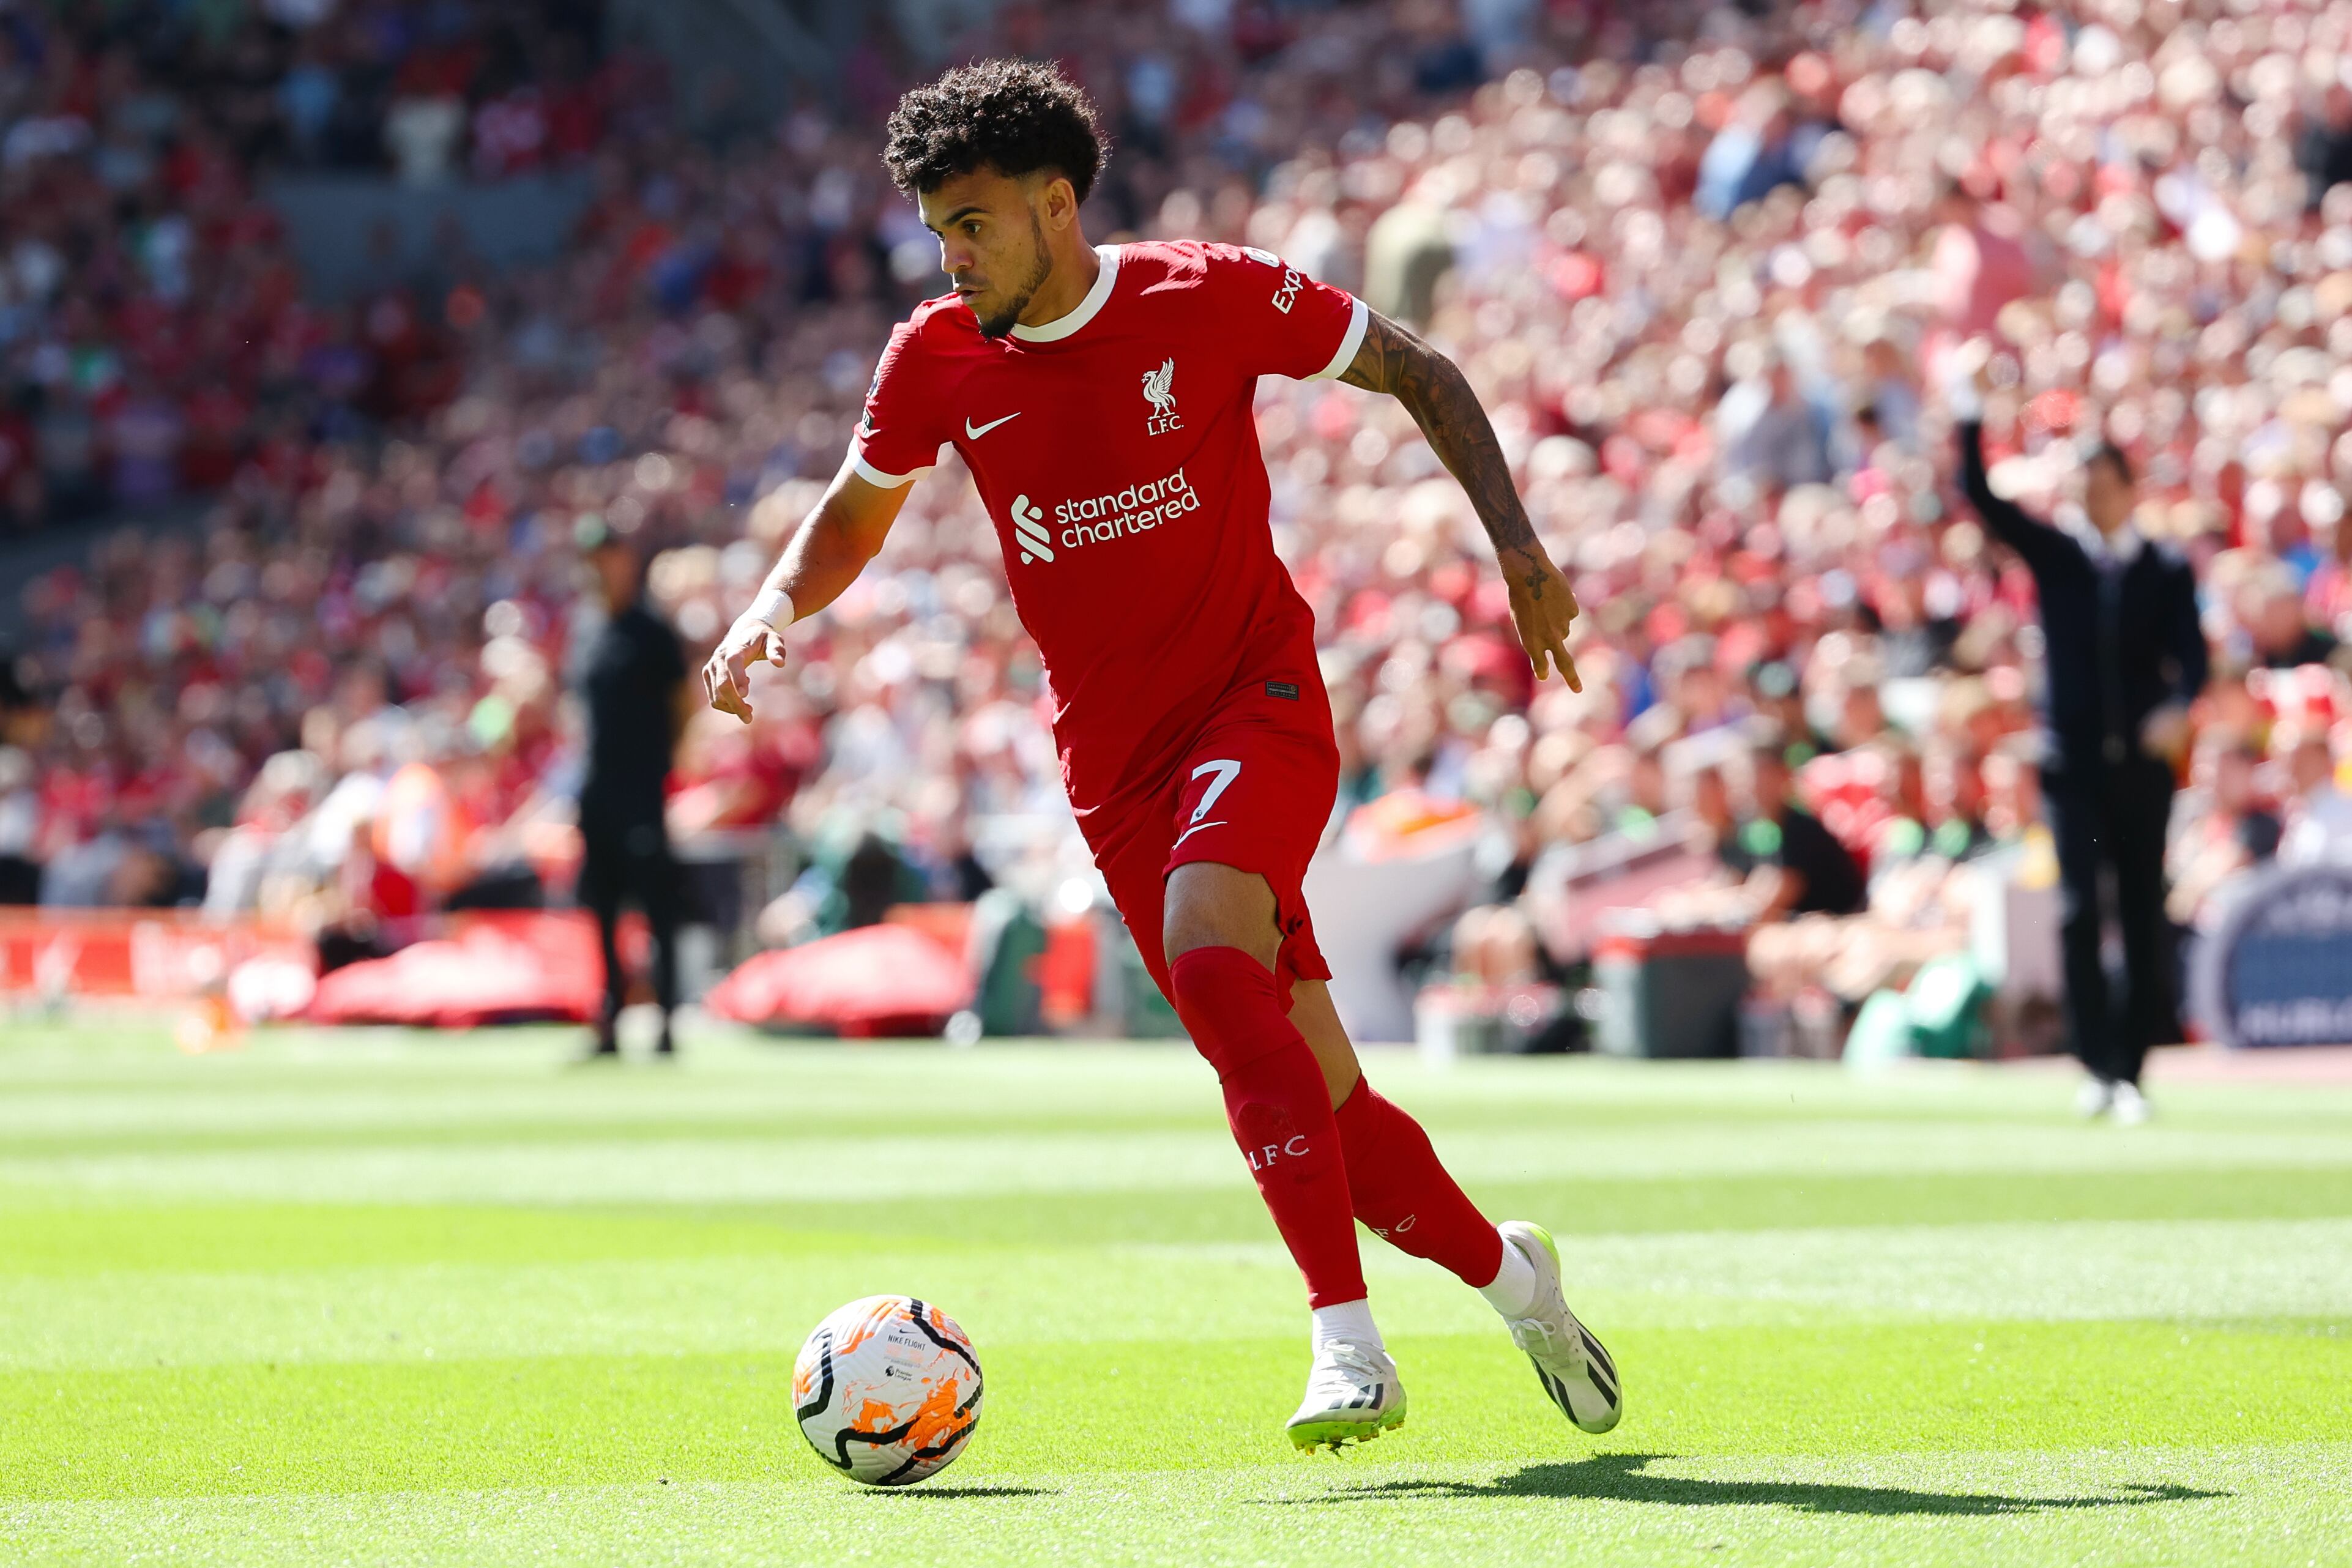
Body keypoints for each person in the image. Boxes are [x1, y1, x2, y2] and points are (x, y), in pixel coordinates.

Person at [703, 61, 1618, 1451]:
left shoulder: (1209, 293)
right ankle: (1514, 1278)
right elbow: (856, 506)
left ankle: (1347, 1346)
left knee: (1204, 949)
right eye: (937, 231)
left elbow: (1417, 369)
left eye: (973, 224)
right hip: (1115, 767)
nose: (951, 257)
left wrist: (1522, 550)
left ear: (1056, 205)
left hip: (1256, 704)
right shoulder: (936, 357)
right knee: (1321, 1107)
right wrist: (772, 607)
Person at [1950, 350, 2208, 1124]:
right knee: (2072, 910)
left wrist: (2179, 703)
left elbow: (2192, 657)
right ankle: (2094, 1064)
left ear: (2128, 491)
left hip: (2140, 768)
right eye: (2080, 486)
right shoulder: (2059, 558)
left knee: (2138, 911)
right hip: (2071, 765)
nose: (2088, 498)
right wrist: (1969, 412)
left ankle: (2131, 1067)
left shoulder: (2163, 567)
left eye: (2100, 484)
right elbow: (1978, 496)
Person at [576, 516, 690, 1060]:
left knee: (654, 909)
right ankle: (610, 1022)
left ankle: (666, 1023)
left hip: (642, 789)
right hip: (597, 790)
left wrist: (668, 766)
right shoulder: (587, 628)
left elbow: (683, 704)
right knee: (601, 910)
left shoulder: (652, 630)